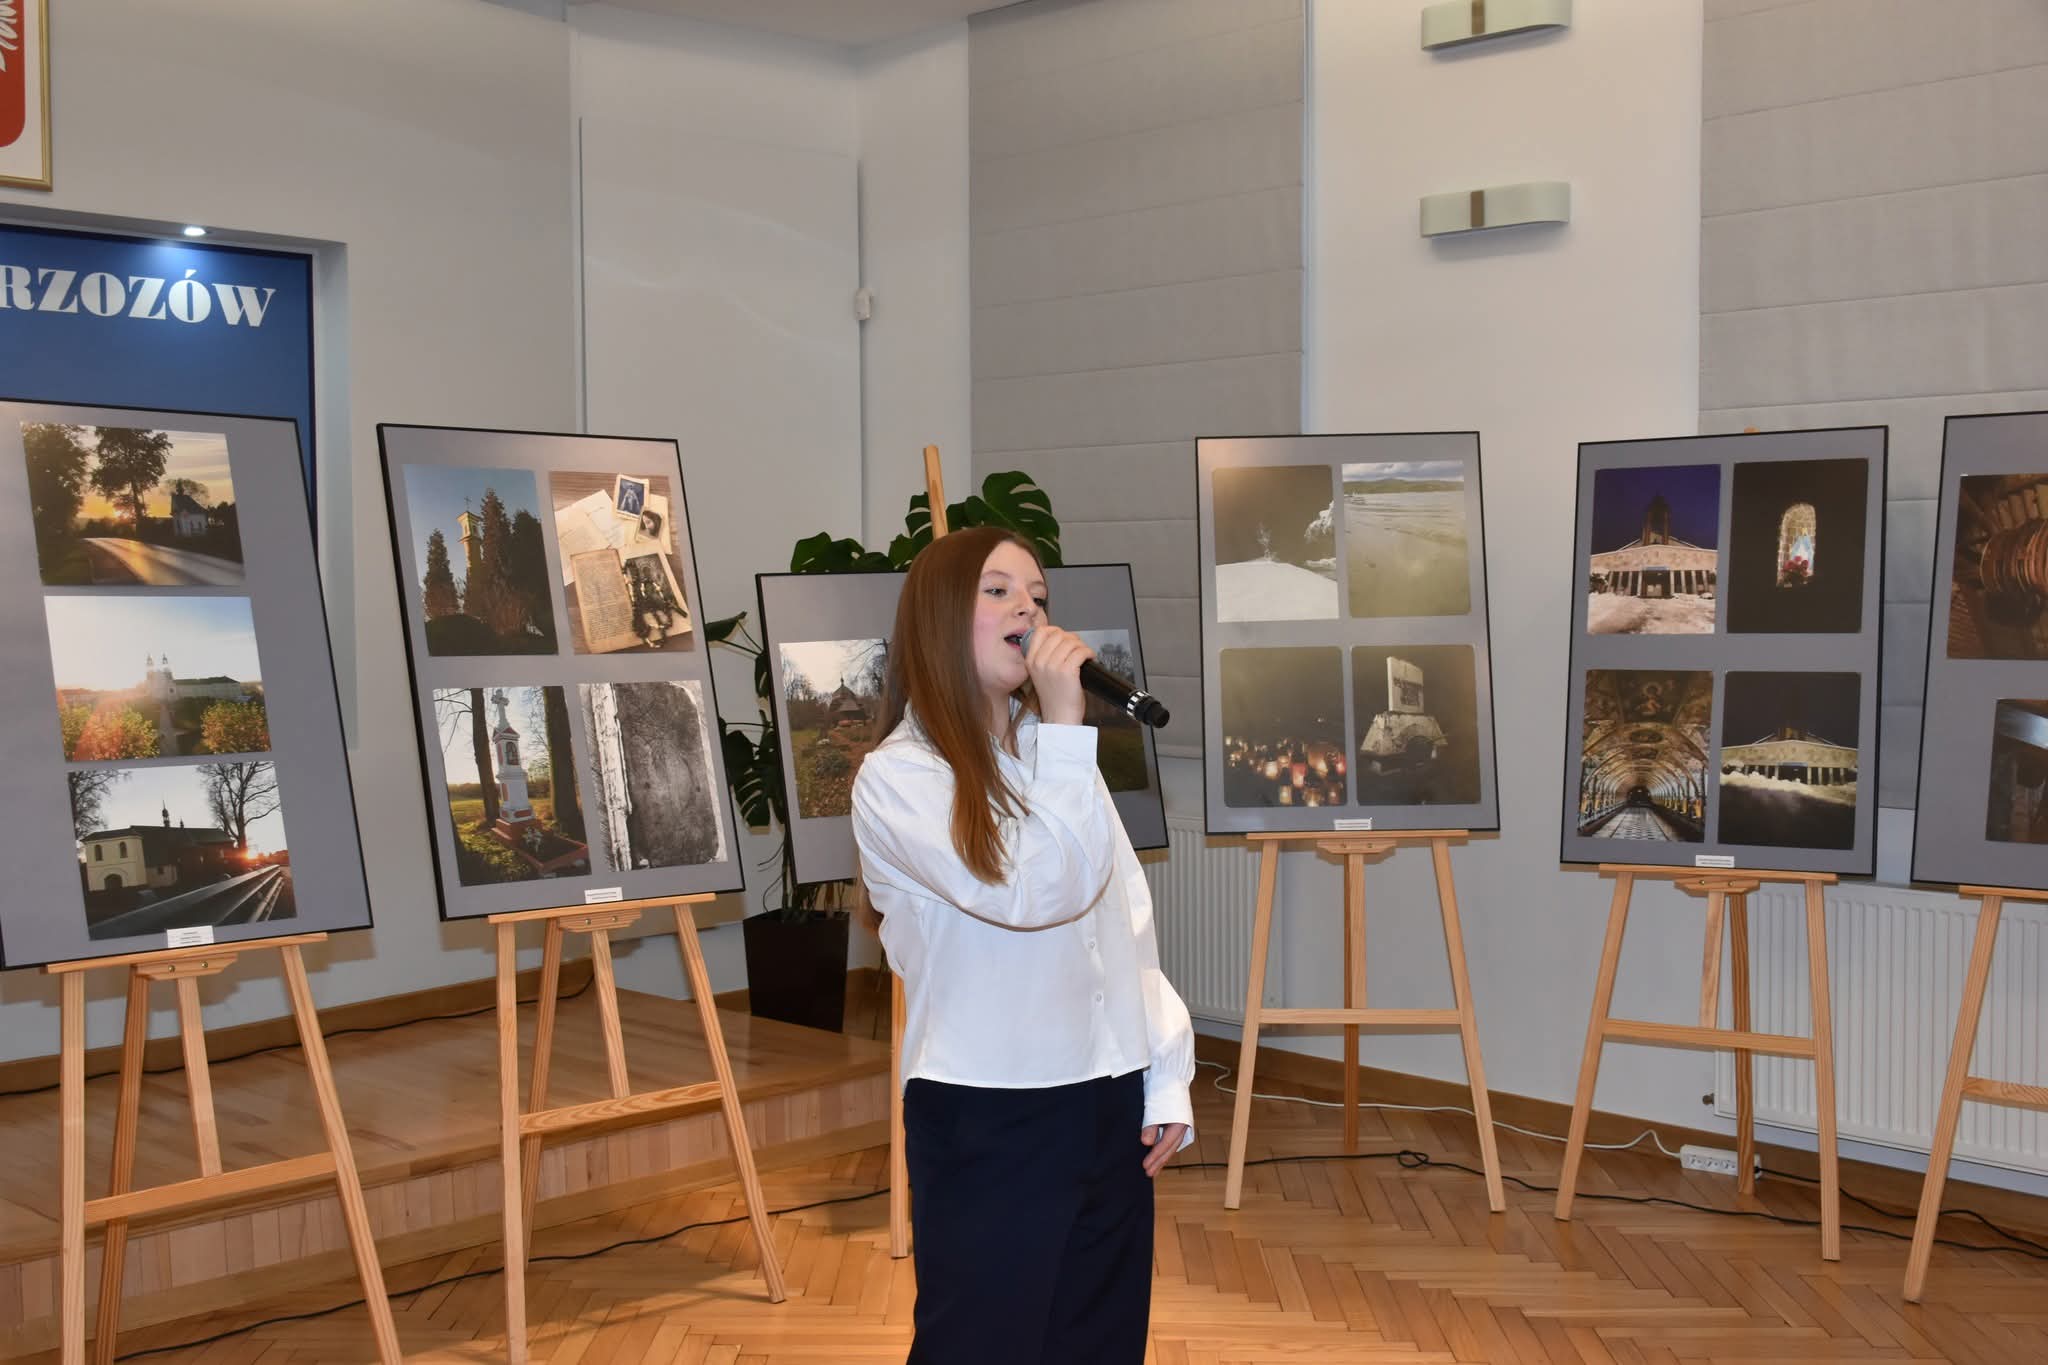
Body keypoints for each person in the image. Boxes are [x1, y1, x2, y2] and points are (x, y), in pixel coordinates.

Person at [851, 526, 1195, 1365]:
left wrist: (1164, 1070)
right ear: (939, 617)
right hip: (989, 1111)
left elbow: (1122, 916)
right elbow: (1033, 892)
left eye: (1038, 595)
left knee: (1100, 1341)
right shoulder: (899, 777)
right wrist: (1070, 729)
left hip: (1105, 1096)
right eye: (999, 590)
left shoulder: (1055, 757)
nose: (1029, 609)